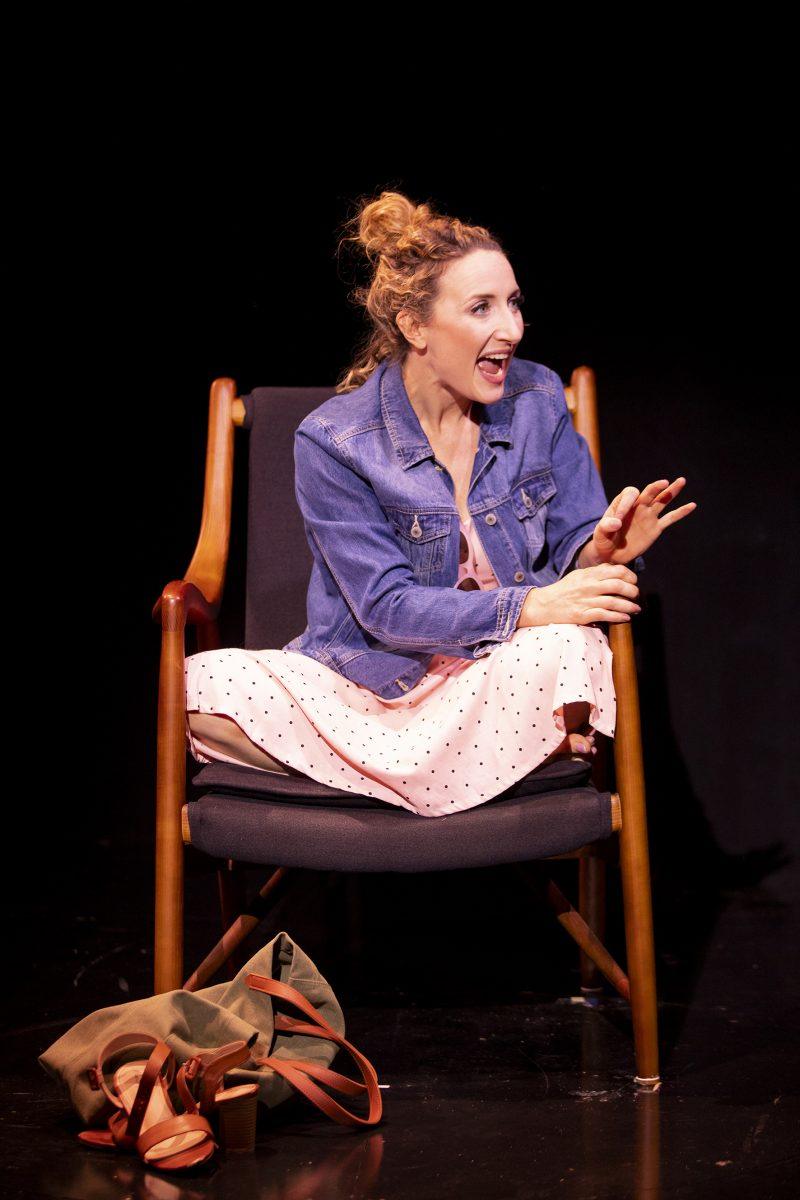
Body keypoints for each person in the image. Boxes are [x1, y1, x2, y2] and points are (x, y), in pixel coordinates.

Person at [185, 191, 696, 817]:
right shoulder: (335, 440)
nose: (509, 328)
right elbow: (384, 608)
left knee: (571, 652)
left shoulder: (538, 399)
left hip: (496, 679)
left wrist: (601, 551)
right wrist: (529, 606)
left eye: (513, 304)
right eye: (481, 307)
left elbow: (575, 568)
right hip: (371, 684)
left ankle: (364, 774)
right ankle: (431, 776)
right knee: (200, 688)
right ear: (415, 326)